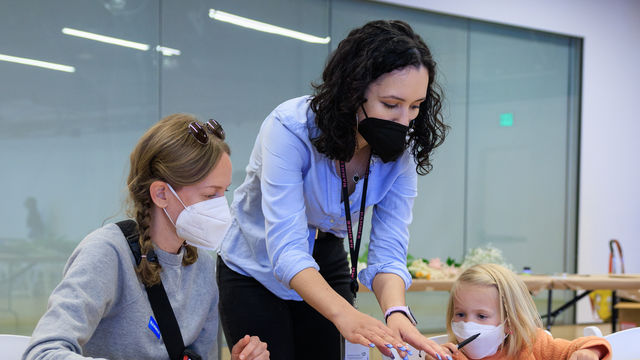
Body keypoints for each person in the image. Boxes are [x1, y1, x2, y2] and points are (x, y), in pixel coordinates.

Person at [217, 20, 450, 360]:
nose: (404, 121)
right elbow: (285, 249)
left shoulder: (403, 151)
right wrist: (345, 314)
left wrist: (396, 312)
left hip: (325, 255)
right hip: (256, 263)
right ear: (353, 92)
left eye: (415, 106)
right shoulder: (290, 128)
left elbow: (389, 252)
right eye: (390, 104)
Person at [24, 114, 269, 360]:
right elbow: (43, 353)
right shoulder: (107, 254)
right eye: (208, 195)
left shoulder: (202, 267)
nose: (220, 207)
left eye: (223, 193)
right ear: (161, 193)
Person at [442, 264, 611, 360]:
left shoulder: (531, 343)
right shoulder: (451, 356)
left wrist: (589, 352)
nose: (467, 324)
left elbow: (584, 345)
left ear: (509, 322)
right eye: (460, 314)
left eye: (481, 316)